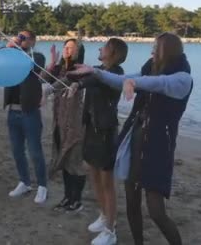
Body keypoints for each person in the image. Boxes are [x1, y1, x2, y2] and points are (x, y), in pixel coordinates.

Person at [67, 32, 193, 245]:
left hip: (158, 147)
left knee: (156, 211)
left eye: (156, 47)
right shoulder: (150, 69)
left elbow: (158, 84)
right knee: (132, 203)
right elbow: (122, 80)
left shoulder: (182, 78)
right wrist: (95, 73)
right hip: (135, 140)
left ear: (167, 51)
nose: (152, 50)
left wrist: (133, 82)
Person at [66, 37, 128, 245]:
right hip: (91, 130)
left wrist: (81, 82)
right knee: (93, 174)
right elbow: (79, 75)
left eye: (105, 47)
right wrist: (73, 78)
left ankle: (111, 230)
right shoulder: (96, 68)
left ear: (113, 53)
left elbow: (96, 79)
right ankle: (104, 216)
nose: (100, 48)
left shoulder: (116, 73)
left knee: (107, 182)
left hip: (105, 132)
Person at [4, 30, 49, 204]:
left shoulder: (37, 57)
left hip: (30, 112)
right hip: (13, 110)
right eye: (19, 37)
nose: (21, 41)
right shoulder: (11, 54)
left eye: (25, 38)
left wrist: (15, 50)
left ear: (33, 41)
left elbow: (31, 66)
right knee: (17, 150)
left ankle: (42, 186)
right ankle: (24, 181)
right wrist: (8, 48)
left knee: (35, 151)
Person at [42, 39, 87, 212]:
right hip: (59, 122)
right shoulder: (60, 68)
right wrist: (52, 62)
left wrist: (48, 91)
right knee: (64, 162)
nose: (67, 50)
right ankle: (67, 197)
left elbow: (65, 81)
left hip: (75, 123)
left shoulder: (81, 70)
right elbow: (43, 78)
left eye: (71, 48)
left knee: (75, 163)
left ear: (78, 52)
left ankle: (77, 200)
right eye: (65, 47)